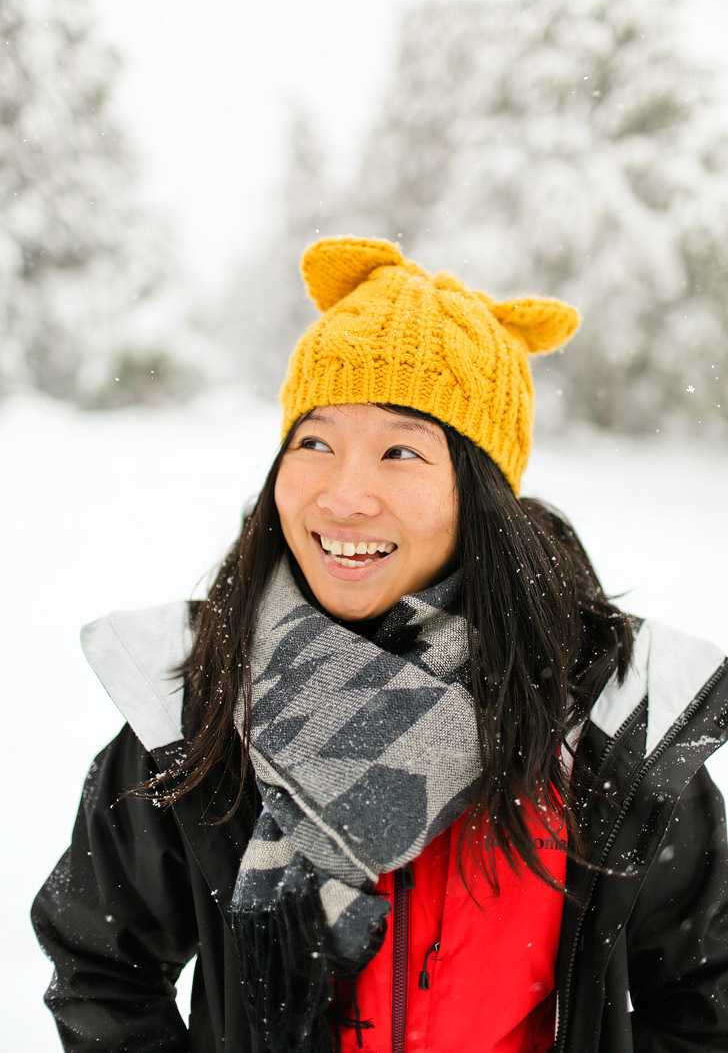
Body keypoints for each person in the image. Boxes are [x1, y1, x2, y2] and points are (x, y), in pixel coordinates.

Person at [33, 236, 728, 1053]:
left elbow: (702, 994)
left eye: (401, 451)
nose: (343, 494)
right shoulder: (206, 704)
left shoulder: (601, 717)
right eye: (315, 442)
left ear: (481, 493)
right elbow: (102, 968)